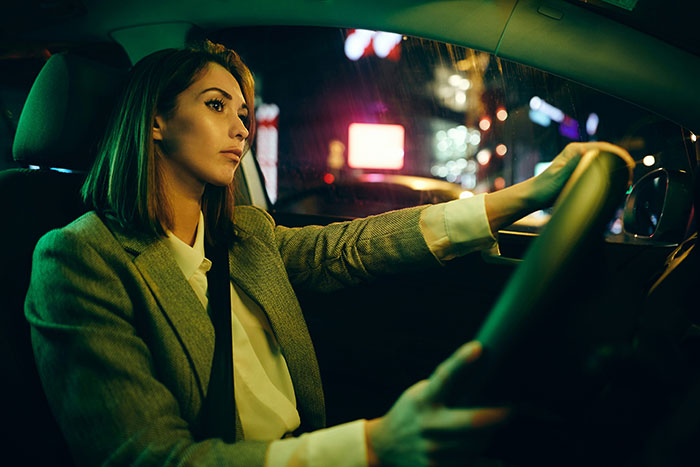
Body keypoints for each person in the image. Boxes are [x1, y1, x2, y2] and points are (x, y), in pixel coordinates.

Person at [24, 40, 632, 466]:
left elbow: (357, 246)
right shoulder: (78, 259)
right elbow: (151, 459)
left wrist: (525, 196)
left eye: (243, 113)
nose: (241, 128)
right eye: (215, 106)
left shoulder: (246, 238)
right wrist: (372, 447)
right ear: (155, 120)